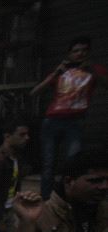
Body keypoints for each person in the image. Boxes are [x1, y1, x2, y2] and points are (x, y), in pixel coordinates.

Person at [31, 36, 106, 198]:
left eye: (84, 50)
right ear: (69, 54)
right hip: (52, 120)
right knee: (48, 163)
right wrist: (56, 73)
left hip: (75, 121)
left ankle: (68, 198)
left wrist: (92, 69)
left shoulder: (94, 70)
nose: (80, 54)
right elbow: (35, 92)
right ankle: (45, 199)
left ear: (89, 52)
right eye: (76, 51)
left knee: (73, 163)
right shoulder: (62, 71)